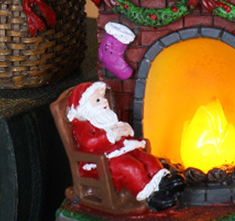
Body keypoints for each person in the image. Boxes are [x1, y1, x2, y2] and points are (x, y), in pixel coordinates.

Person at [66, 81, 184, 210]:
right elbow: (89, 142)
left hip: (120, 151)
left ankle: (162, 184)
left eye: (103, 98)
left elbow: (119, 137)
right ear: (85, 107)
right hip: (101, 161)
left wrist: (126, 133)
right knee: (131, 167)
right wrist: (110, 135)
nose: (104, 102)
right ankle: (149, 197)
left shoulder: (105, 118)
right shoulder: (83, 125)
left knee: (147, 159)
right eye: (98, 100)